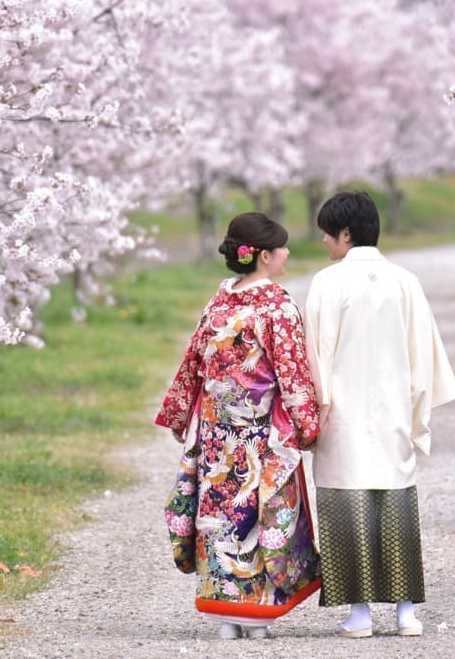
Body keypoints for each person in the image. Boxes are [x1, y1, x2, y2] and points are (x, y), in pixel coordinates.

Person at [154, 212, 322, 640]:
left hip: (215, 430)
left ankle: (224, 615)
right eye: (281, 248)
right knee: (257, 512)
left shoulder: (220, 300)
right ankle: (255, 614)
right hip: (258, 431)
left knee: (218, 514)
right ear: (264, 255)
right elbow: (292, 372)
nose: (287, 254)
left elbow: (193, 361)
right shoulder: (277, 306)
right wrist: (307, 424)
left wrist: (179, 412)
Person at [304, 191, 455, 638]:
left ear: (346, 234)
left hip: (343, 413)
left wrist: (313, 412)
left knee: (346, 502)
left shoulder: (326, 283)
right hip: (394, 408)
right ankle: (406, 613)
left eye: (327, 233)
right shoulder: (405, 281)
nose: (323, 241)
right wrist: (417, 410)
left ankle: (360, 614)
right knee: (395, 502)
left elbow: (316, 355)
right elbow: (422, 353)